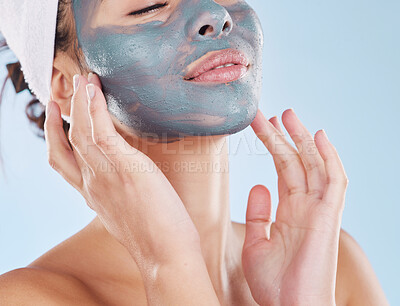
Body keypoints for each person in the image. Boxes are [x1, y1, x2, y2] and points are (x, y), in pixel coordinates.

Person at [0, 0, 388, 305]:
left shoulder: (332, 268)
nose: (215, 15)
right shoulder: (28, 299)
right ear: (65, 84)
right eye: (149, 6)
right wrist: (167, 265)